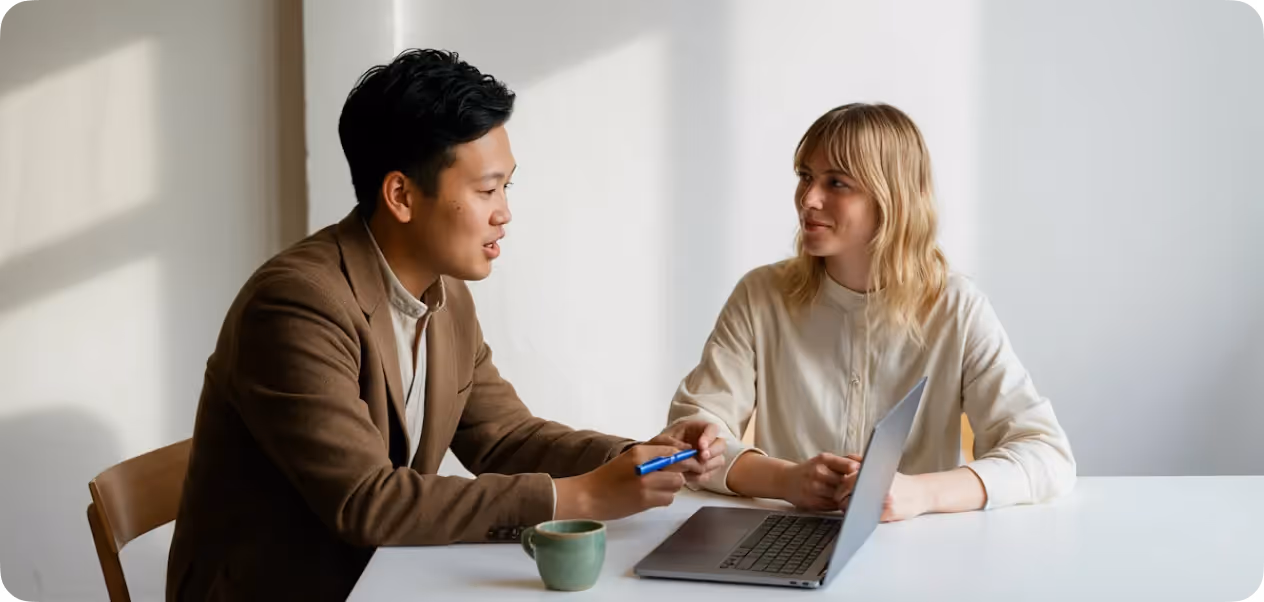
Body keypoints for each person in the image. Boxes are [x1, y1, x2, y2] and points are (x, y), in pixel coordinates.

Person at [166, 49, 724, 601]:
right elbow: (367, 500)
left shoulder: (444, 292)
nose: (504, 211)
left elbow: (505, 437)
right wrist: (576, 499)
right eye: (486, 190)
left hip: (383, 578)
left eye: (508, 187)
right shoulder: (295, 304)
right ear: (402, 195)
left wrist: (637, 456)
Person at [661, 103, 1075, 522]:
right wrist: (785, 480)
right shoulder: (760, 295)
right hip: (781, 545)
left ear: (891, 198)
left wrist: (921, 493)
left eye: (837, 183)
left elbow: (1046, 455)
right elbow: (689, 435)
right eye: (806, 177)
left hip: (923, 552)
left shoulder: (956, 306)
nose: (809, 199)